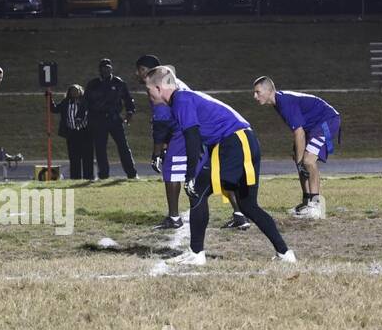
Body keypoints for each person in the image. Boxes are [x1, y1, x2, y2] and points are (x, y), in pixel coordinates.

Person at [144, 66, 295, 266]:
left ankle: (196, 253)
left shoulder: (180, 99)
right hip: (243, 140)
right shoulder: (184, 98)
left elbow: (192, 137)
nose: (148, 95)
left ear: (158, 88)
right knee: (248, 205)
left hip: (235, 142)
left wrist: (190, 175)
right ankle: (285, 253)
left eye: (148, 90)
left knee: (197, 190)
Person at [136, 54, 249, 231]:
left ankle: (174, 217)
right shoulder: (172, 82)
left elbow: (161, 123)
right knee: (219, 172)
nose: (138, 74)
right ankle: (240, 214)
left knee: (171, 169)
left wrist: (157, 152)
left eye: (141, 69)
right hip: (198, 127)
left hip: (186, 129)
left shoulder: (157, 89)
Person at [252, 76, 341, 219]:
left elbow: (299, 132)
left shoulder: (283, 102)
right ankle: (307, 202)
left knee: (307, 161)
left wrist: (300, 162)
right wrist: (298, 159)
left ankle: (316, 205)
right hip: (313, 126)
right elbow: (299, 131)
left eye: (258, 92)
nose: (255, 96)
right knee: (298, 158)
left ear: (269, 90)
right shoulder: (279, 101)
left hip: (327, 121)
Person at [85, 58, 137, 179]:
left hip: (114, 119)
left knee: (123, 146)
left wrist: (130, 111)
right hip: (98, 119)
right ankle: (103, 175)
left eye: (108, 68)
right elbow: (86, 101)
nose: (106, 70)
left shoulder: (118, 83)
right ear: (100, 70)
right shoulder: (93, 84)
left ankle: (132, 173)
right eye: (103, 68)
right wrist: (83, 116)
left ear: (111, 69)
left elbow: (128, 98)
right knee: (100, 149)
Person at [53, 84, 93, 180]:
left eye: (76, 90)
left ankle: (88, 176)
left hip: (85, 132)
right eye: (72, 91)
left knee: (87, 156)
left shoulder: (85, 101)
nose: (74, 92)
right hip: (72, 133)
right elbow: (54, 109)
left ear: (80, 91)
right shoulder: (66, 102)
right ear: (69, 93)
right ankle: (75, 177)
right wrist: (49, 99)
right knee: (74, 157)